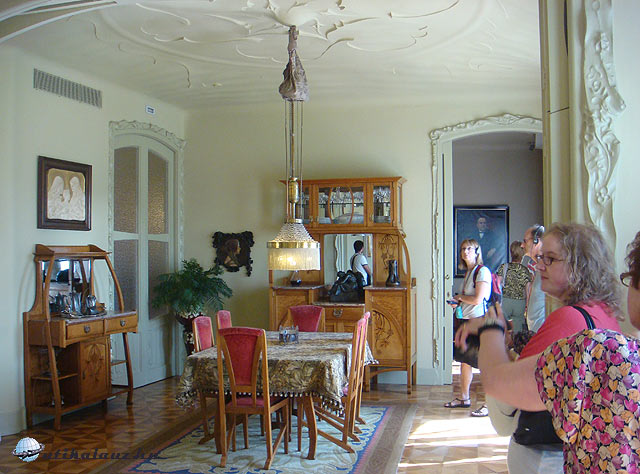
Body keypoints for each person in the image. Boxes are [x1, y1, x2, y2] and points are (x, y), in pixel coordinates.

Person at [455, 223, 625, 473]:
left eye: (550, 259)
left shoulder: (570, 318)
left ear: (580, 265)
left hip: (547, 458)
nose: (539, 265)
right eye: (541, 257)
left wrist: (491, 328)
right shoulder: (602, 312)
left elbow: (501, 386)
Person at [445, 238, 491, 417]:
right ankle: (464, 398)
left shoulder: (482, 271)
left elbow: (478, 299)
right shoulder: (469, 272)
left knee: (484, 363)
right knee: (464, 361)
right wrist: (458, 303)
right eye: (463, 249)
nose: (465, 252)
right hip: (467, 322)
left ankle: (490, 404)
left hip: (479, 323)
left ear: (477, 251)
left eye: (469, 249)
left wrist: (459, 297)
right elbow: (469, 300)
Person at [496, 241, 532, 333]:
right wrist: (527, 305)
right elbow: (528, 289)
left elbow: (497, 284)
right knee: (518, 330)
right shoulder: (525, 270)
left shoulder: (504, 267)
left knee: (503, 328)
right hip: (520, 302)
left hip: (505, 301)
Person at [521, 224, 546, 332]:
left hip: (544, 332)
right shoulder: (538, 269)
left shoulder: (548, 269)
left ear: (536, 241)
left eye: (525, 241)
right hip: (535, 332)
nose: (522, 245)